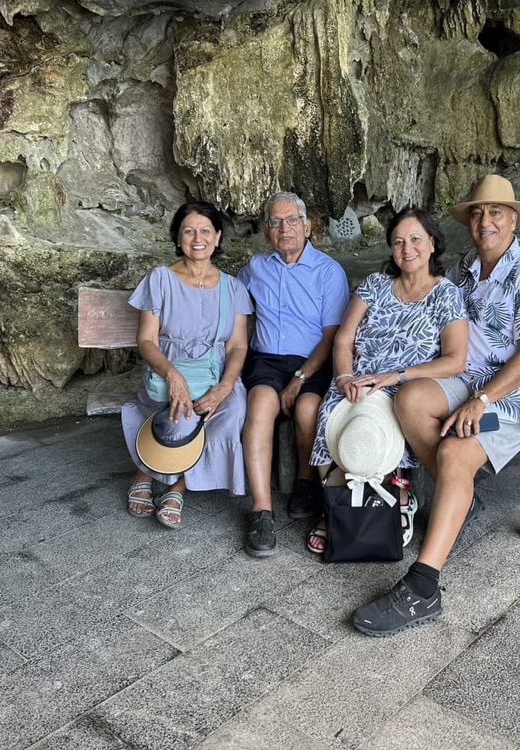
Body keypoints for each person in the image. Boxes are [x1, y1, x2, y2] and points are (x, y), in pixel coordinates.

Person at [352, 175, 520, 636]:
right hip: (468, 380)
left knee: (455, 451)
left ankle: (423, 587)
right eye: (478, 213)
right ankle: (463, 496)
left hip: (517, 395)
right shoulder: (463, 271)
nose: (486, 222)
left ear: (514, 222)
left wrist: (481, 401)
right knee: (409, 399)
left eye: (496, 213)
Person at [307, 208, 468, 554]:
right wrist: (344, 378)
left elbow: (456, 360)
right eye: (398, 242)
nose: (407, 249)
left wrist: (398, 375)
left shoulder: (446, 295)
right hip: (359, 379)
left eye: (415, 239)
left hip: (406, 382)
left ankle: (397, 494)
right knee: (335, 411)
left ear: (433, 244)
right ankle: (335, 500)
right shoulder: (375, 285)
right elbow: (344, 339)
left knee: (394, 412)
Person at [122, 201, 253, 529]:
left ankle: (178, 487)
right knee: (181, 417)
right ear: (178, 238)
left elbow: (238, 345)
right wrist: (173, 375)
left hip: (215, 374)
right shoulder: (160, 279)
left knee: (235, 409)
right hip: (168, 370)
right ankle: (146, 471)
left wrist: (225, 386)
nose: (198, 239)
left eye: (206, 231)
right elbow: (146, 340)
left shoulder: (233, 287)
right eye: (189, 231)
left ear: (218, 237)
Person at [238, 192, 351, 557]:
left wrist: (300, 378)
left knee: (307, 410)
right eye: (275, 222)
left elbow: (332, 337)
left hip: (314, 360)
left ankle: (306, 482)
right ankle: (262, 511)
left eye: (291, 220)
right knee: (259, 407)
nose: (284, 228)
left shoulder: (328, 271)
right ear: (266, 232)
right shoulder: (256, 268)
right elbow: (229, 303)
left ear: (307, 226)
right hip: (267, 360)